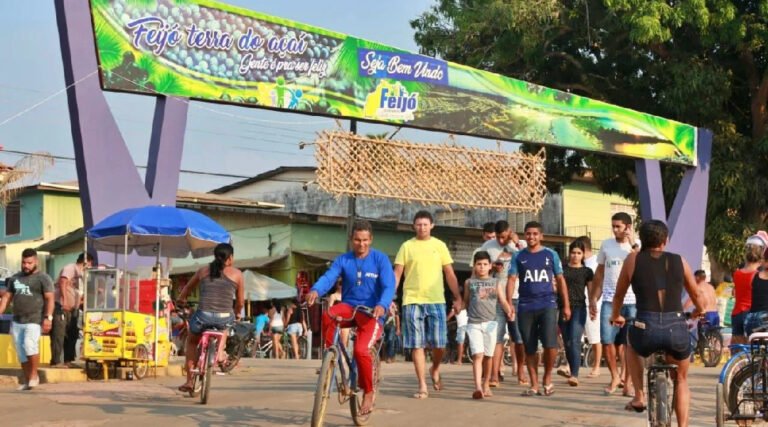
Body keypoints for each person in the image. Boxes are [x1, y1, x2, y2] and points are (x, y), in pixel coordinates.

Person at [611, 220, 704, 426]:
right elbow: (696, 293)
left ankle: (639, 396)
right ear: (665, 241)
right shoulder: (680, 260)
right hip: (676, 327)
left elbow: (618, 295)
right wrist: (700, 310)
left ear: (642, 240)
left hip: (646, 327)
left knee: (631, 344)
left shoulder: (632, 260)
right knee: (681, 379)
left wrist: (616, 315)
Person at [306, 219, 396, 416]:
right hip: (349, 307)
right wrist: (315, 290)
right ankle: (329, 358)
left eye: (365, 240)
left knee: (361, 350)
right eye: (357, 240)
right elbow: (329, 277)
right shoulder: (343, 260)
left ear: (371, 239)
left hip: (372, 312)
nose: (361, 244)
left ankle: (369, 392)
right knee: (329, 314)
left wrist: (382, 305)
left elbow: (389, 286)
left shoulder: (380, 260)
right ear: (351, 239)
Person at [394, 210, 463, 399]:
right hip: (412, 300)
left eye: (425, 224)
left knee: (439, 344)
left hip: (436, 300)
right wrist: (391, 296)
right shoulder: (406, 246)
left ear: (432, 225)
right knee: (417, 345)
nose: (422, 227)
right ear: (413, 226)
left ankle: (435, 368)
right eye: (418, 224)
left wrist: (457, 297)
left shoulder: (439, 246)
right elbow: (398, 274)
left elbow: (449, 273)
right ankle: (422, 384)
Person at [507, 221, 570, 397]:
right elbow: (511, 279)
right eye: (528, 233)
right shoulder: (518, 256)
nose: (531, 237)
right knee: (529, 347)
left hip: (548, 304)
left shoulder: (551, 254)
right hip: (525, 306)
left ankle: (547, 378)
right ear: (524, 235)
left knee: (551, 345)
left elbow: (561, 279)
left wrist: (566, 305)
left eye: (535, 234)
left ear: (541, 236)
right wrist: (509, 303)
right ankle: (534, 384)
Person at [176, 243, 244, 393]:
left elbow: (187, 289)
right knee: (226, 325)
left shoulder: (203, 271)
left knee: (192, 341)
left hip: (203, 317)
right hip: (224, 317)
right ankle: (220, 352)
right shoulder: (237, 274)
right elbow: (240, 302)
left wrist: (180, 300)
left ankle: (189, 381)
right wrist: (237, 313)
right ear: (230, 258)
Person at [589, 212, 638, 395]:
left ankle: (627, 381)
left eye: (619, 226)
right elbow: (600, 273)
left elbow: (643, 264)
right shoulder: (606, 245)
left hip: (632, 301)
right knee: (607, 340)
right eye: (613, 226)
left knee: (630, 344)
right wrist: (594, 298)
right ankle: (615, 376)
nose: (615, 230)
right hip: (610, 300)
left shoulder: (636, 246)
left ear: (627, 227)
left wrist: (633, 243)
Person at [475, 220, 526, 386]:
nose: (501, 241)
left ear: (510, 232)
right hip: (494, 297)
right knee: (495, 337)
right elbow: (479, 268)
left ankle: (521, 372)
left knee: (518, 337)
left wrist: (516, 243)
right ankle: (494, 375)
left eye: (504, 237)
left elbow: (527, 262)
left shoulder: (521, 244)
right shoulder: (487, 246)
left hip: (517, 295)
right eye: (498, 237)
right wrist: (492, 268)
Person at [0, 248, 55, 391]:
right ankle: (27, 380)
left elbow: (50, 298)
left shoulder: (43, 278)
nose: (26, 266)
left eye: (29, 263)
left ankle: (33, 376)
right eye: (24, 262)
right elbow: (7, 297)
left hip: (34, 319)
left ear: (36, 261)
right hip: (17, 320)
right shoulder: (15, 278)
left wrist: (48, 317)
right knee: (21, 351)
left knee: (29, 345)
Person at [464, 250, 513, 399]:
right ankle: (478, 387)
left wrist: (509, 311)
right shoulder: (469, 283)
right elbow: (466, 301)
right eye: (479, 264)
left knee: (488, 355)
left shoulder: (495, 282)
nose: (482, 267)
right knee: (477, 355)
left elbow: (503, 301)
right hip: (474, 324)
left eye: (485, 264)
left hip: (491, 323)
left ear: (490, 266)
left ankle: (486, 384)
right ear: (474, 266)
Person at [555, 239, 593, 386]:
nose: (575, 256)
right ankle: (571, 370)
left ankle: (575, 375)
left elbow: (590, 291)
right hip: (563, 307)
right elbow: (556, 287)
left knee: (575, 339)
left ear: (583, 255)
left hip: (579, 308)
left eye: (578, 253)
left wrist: (593, 305)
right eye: (573, 252)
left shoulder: (587, 271)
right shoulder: (562, 270)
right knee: (567, 341)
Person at [50, 252, 93, 368]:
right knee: (58, 334)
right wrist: (64, 299)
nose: (89, 267)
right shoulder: (71, 268)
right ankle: (56, 361)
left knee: (72, 334)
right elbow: (63, 281)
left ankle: (68, 360)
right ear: (86, 262)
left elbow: (79, 293)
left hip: (73, 309)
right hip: (61, 307)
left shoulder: (82, 277)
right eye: (89, 264)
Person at [731, 232, 767, 344]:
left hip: (736, 313)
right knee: (754, 349)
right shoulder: (759, 275)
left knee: (739, 350)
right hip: (751, 313)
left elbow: (734, 292)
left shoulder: (737, 273)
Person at [577, 236, 602, 378]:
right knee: (575, 337)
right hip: (579, 304)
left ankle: (597, 366)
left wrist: (594, 302)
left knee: (594, 338)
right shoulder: (581, 263)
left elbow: (598, 285)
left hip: (593, 305)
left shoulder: (596, 263)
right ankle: (570, 366)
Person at [451, 301, 468, 366]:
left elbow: (450, 316)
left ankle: (459, 360)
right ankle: (464, 354)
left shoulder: (455, 308)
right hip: (468, 324)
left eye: (453, 302)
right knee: (465, 342)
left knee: (460, 343)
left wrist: (445, 320)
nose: (452, 304)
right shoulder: (464, 306)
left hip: (461, 326)